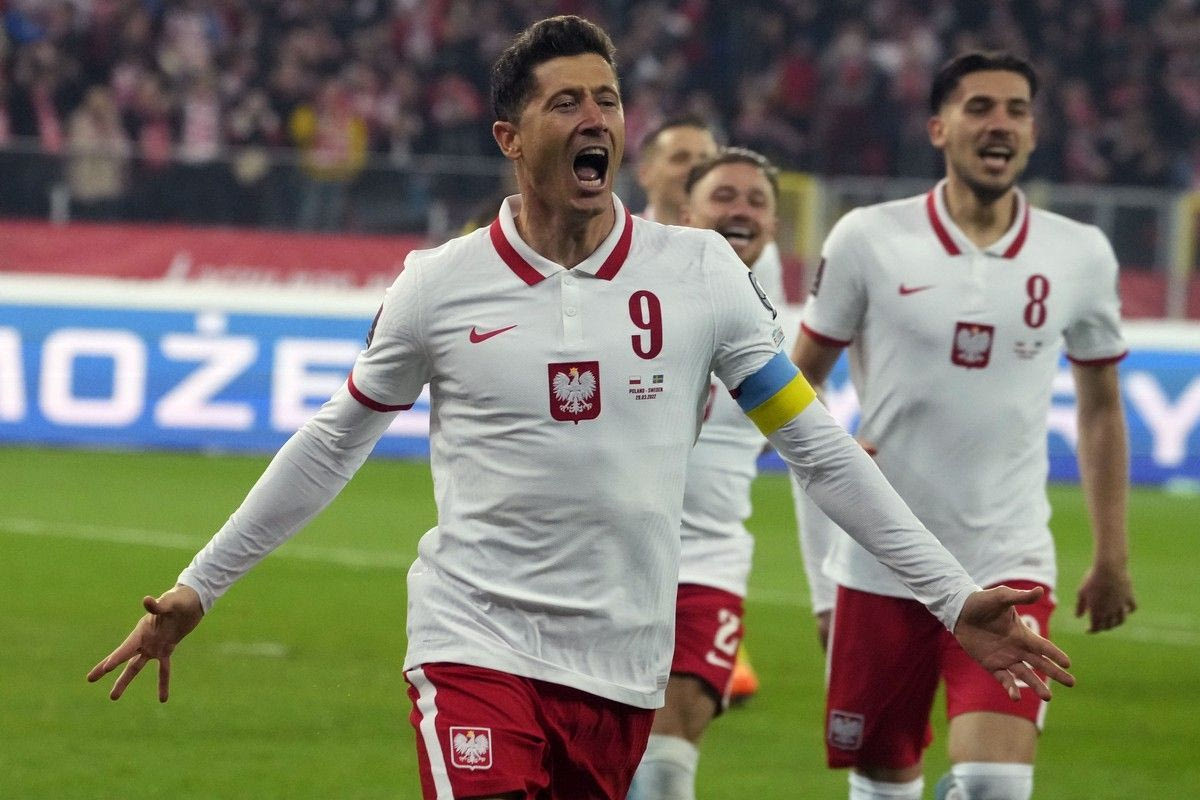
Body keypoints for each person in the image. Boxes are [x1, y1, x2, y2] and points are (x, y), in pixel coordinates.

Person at [88, 22, 1074, 800]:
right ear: (511, 138)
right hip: (472, 643)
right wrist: (198, 585)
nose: (596, 116)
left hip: (620, 668)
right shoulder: (438, 284)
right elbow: (329, 443)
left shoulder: (701, 274)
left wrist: (952, 595)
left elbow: (817, 446)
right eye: (567, 101)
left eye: (608, 98)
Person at [791, 51, 1136, 800]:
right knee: (883, 782)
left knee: (993, 786)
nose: (1000, 123)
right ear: (939, 128)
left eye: (1017, 110)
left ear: (1034, 134)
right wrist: (831, 440)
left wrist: (1112, 553)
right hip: (884, 563)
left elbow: (1101, 405)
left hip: (1009, 559)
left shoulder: (1079, 254)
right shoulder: (867, 237)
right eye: (980, 107)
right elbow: (796, 383)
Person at [627, 147, 784, 800]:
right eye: (724, 197)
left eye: (756, 201)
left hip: (708, 563)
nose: (741, 211)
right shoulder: (624, 291)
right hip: (610, 557)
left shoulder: (768, 316)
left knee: (666, 772)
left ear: (774, 225)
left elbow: (798, 418)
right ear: (684, 214)